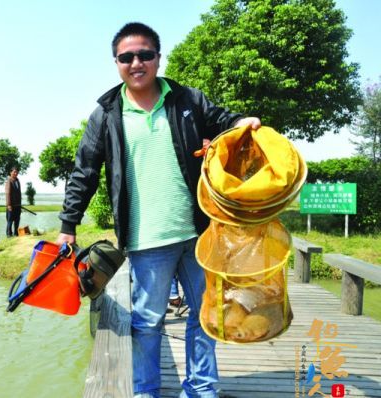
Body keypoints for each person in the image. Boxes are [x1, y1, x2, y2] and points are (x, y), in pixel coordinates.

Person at [56, 22, 261, 398]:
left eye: (145, 54)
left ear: (157, 58)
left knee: (204, 316)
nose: (137, 62)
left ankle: (201, 390)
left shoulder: (186, 100)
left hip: (199, 233)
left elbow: (223, 119)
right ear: (116, 62)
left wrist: (239, 122)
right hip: (147, 238)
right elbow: (84, 171)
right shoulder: (106, 113)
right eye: (127, 57)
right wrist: (68, 224)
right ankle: (146, 390)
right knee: (148, 322)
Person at [5, 167, 22, 237]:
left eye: (16, 172)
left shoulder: (17, 181)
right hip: (11, 206)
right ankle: (9, 234)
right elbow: (7, 193)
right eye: (14, 172)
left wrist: (20, 204)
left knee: (17, 220)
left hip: (18, 205)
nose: (15, 173)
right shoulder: (9, 181)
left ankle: (16, 233)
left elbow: (19, 193)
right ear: (10, 172)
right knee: (10, 220)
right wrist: (9, 205)